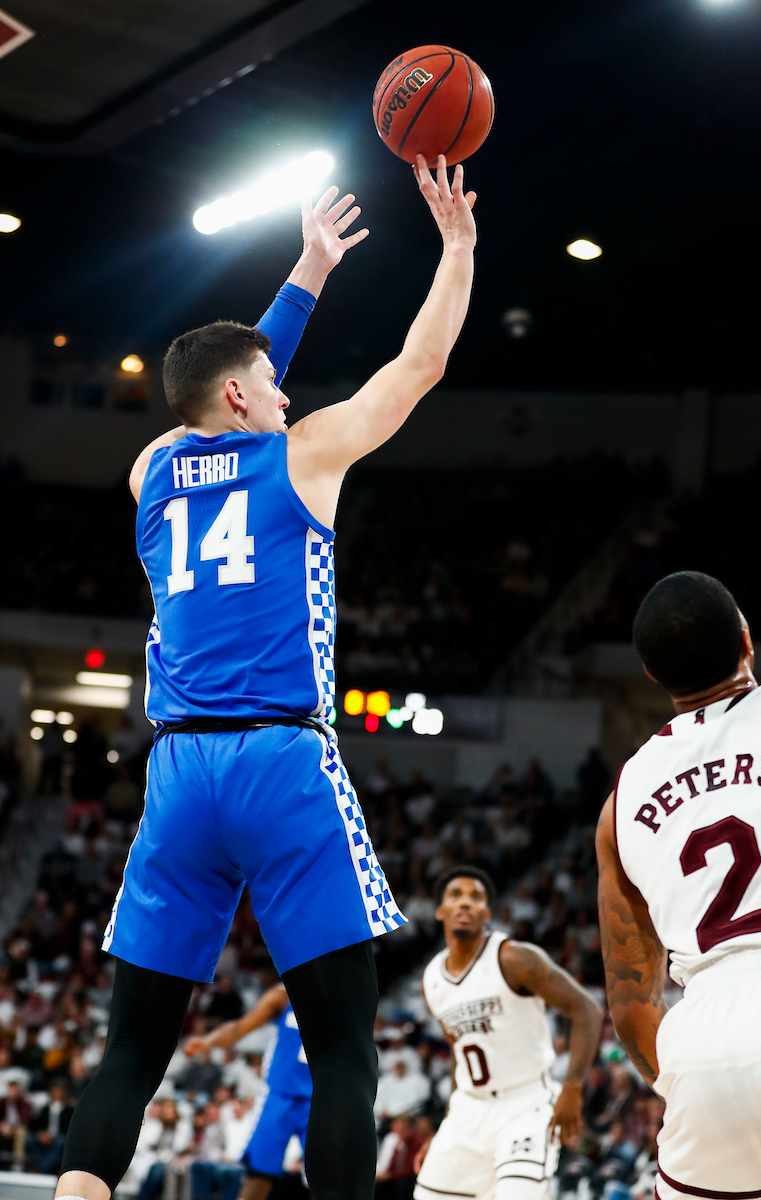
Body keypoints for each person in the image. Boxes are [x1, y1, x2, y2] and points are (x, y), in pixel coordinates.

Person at [56, 153, 477, 1200]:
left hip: (177, 775)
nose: (290, 395)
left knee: (129, 1057)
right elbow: (415, 369)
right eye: (275, 385)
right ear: (247, 394)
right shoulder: (305, 456)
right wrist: (458, 247)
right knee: (342, 1050)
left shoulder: (150, 470)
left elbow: (218, 394)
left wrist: (306, 274)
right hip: (281, 762)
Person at [596, 569, 761, 1200]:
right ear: (746, 638)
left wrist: (703, 1080)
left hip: (703, 1036)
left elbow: (632, 1008)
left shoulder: (621, 800)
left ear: (653, 676)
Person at [414, 866, 602, 1200]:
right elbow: (462, 1055)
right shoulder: (431, 979)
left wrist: (572, 1089)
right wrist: (448, 1124)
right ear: (440, 910)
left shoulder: (514, 958)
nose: (465, 903)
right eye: (455, 895)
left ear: (487, 912)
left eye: (476, 897)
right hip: (467, 1112)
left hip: (525, 1103)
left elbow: (586, 1009)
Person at [184, 981, 310, 1200]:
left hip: (320, 1098)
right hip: (278, 1095)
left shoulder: (340, 992)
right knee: (258, 1177)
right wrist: (207, 1042)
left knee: (327, 1181)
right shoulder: (283, 995)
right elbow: (239, 1028)